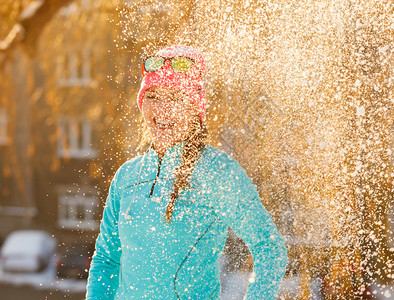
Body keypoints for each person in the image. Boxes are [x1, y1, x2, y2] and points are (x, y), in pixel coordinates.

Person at [85, 45, 287, 299]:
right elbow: (107, 260)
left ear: (195, 108)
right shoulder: (127, 176)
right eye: (153, 96)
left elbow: (269, 248)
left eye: (177, 97)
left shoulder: (217, 171)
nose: (163, 109)